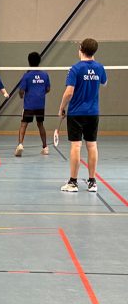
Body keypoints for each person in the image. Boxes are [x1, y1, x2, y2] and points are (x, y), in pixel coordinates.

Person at [58, 38, 107, 192]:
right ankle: (92, 182)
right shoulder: (100, 68)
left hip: (76, 113)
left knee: (76, 146)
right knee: (92, 145)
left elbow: (69, 92)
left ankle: (73, 183)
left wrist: (61, 108)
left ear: (80, 49)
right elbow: (104, 83)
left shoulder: (75, 69)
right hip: (93, 112)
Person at [15, 51, 51, 157]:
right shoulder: (45, 75)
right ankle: (45, 147)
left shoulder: (27, 76)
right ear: (39, 61)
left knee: (23, 124)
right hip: (40, 105)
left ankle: (20, 145)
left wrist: (22, 96)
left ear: (29, 62)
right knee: (40, 124)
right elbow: (48, 89)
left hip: (29, 105)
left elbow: (22, 91)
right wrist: (40, 93)